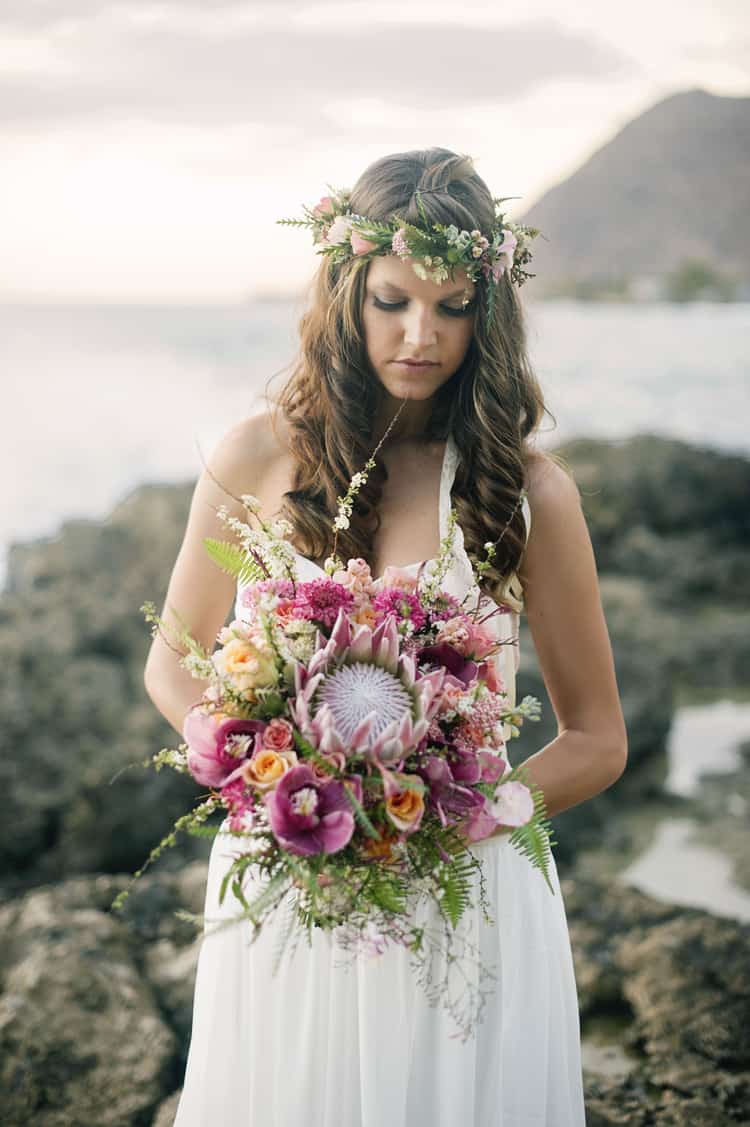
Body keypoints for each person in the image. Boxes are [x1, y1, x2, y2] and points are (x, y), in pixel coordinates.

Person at [144, 148, 627, 1126]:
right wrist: (267, 779)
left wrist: (465, 813)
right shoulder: (257, 455)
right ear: (344, 292)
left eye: (453, 307)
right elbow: (173, 656)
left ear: (486, 315)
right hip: (289, 869)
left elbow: (597, 737)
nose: (421, 333)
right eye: (394, 299)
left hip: (466, 892)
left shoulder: (529, 493)